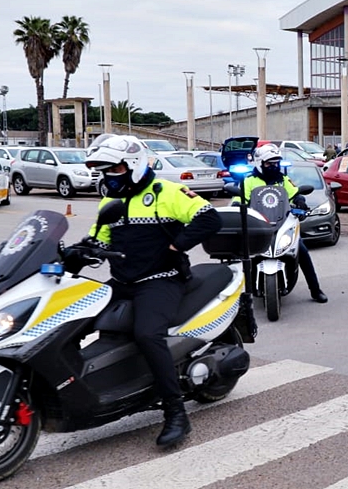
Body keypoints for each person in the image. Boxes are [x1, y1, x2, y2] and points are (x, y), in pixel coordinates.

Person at [81, 135, 222, 448]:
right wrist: (76, 252)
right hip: (122, 282)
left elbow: (208, 218)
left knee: (147, 334)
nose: (109, 176)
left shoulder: (166, 192)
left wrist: (177, 244)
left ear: (132, 164)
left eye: (114, 169)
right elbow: (100, 241)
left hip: (161, 279)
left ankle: (175, 412)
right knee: (74, 316)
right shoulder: (109, 202)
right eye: (105, 171)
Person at [243, 144, 328, 304]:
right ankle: (246, 293)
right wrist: (237, 207)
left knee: (301, 251)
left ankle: (315, 290)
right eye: (269, 163)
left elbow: (294, 193)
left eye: (275, 163)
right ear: (260, 163)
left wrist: (300, 200)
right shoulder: (249, 181)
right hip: (257, 226)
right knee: (244, 255)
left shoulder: (282, 180)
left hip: (281, 224)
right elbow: (240, 199)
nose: (273, 166)